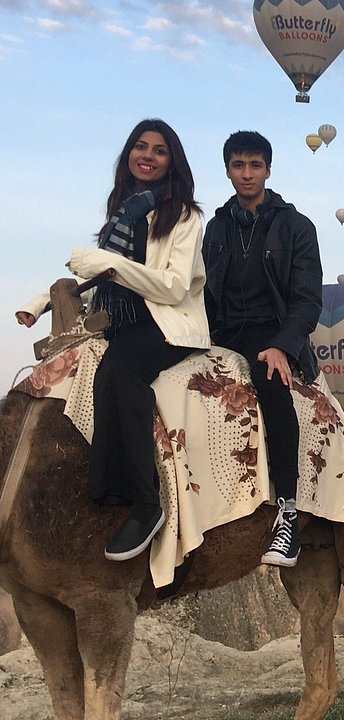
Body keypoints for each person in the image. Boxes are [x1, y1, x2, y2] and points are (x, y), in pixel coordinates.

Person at [16, 119, 210, 561]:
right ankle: (97, 493)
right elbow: (100, 278)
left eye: (159, 150)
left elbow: (173, 287)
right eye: (140, 147)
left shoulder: (184, 215)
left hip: (167, 323)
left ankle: (145, 503)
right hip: (118, 321)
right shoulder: (124, 213)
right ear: (128, 155)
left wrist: (109, 264)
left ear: (172, 162)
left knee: (118, 375)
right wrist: (41, 301)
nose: (148, 156)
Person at [202, 131, 322, 567]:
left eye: (255, 165)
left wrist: (281, 346)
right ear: (227, 170)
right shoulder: (216, 227)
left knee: (272, 387)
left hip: (272, 332)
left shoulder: (296, 227)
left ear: (268, 170)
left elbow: (308, 300)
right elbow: (204, 292)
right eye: (238, 165)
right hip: (221, 332)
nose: (247, 174)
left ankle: (287, 512)